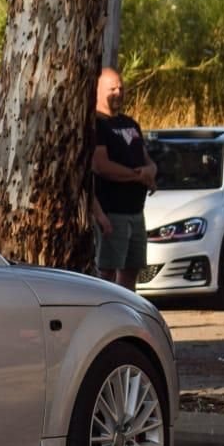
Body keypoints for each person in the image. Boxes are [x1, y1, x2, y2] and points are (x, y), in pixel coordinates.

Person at [91, 66, 157, 290]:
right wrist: (138, 176)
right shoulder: (97, 124)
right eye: (112, 89)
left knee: (132, 268)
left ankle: (128, 308)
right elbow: (101, 166)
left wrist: (151, 170)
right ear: (98, 90)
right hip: (112, 211)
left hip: (136, 211)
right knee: (108, 269)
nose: (118, 93)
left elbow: (146, 158)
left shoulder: (130, 123)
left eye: (121, 88)